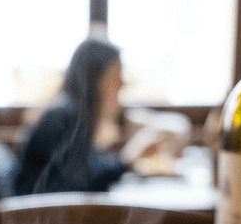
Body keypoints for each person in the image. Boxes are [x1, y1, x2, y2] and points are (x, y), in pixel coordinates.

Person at [14, 36, 157, 196]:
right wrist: (125, 160)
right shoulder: (64, 116)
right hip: (35, 215)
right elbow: (76, 183)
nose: (122, 84)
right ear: (95, 78)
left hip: (44, 212)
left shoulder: (70, 112)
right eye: (116, 76)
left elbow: (86, 170)